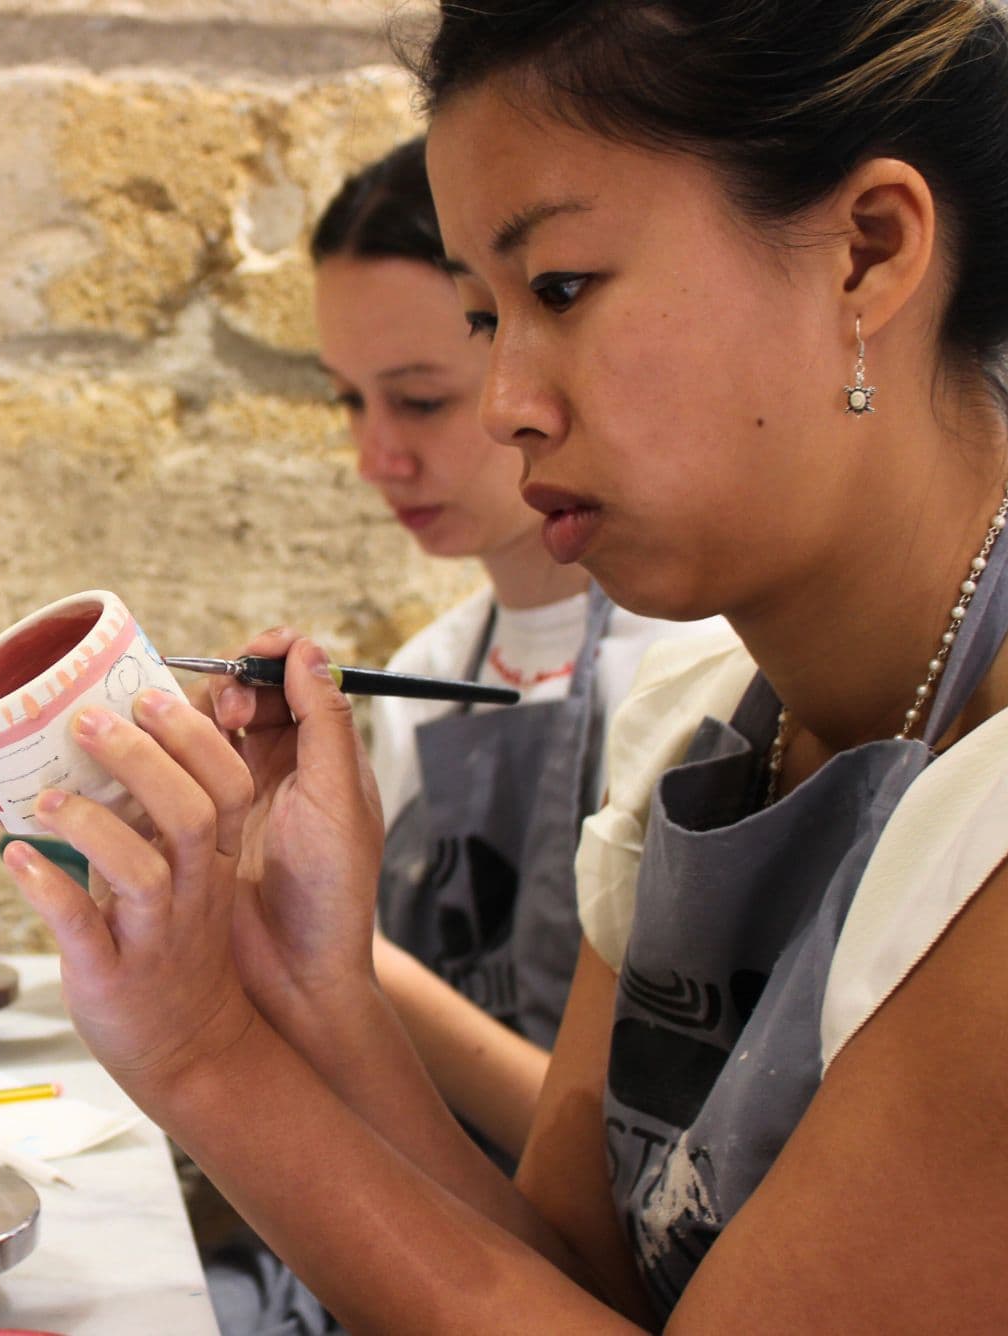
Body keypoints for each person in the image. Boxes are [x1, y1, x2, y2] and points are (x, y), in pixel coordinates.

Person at [1, 1, 1008, 1328]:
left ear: (867, 250)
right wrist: (319, 991)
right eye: (488, 320)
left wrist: (204, 1058)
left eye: (562, 290)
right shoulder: (701, 740)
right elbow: (581, 1285)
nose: (507, 405)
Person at [305, 136, 718, 1163]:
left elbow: (646, 1162)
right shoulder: (420, 678)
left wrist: (340, 959)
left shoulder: (693, 671)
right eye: (348, 399)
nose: (375, 457)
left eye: (420, 397)